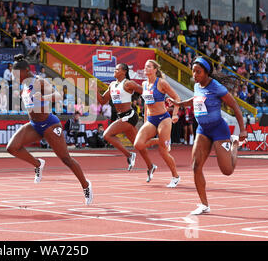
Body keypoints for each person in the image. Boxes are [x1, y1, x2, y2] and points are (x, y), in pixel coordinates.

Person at [6, 54, 92, 205]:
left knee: (66, 159)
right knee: (12, 148)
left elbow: (58, 96)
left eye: (16, 74)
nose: (15, 78)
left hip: (49, 124)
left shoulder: (39, 81)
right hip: (34, 125)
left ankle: (86, 185)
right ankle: (38, 164)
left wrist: (45, 98)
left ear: (26, 71)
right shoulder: (25, 85)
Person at [167, 57, 247, 215]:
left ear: (206, 72)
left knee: (227, 170)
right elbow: (195, 100)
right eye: (193, 71)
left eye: (198, 72)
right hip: (203, 130)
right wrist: (179, 104)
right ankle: (204, 205)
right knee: (196, 166)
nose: (195, 75)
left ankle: (234, 145)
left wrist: (242, 130)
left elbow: (235, 107)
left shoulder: (217, 87)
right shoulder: (197, 85)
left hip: (219, 130)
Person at [93, 63, 155, 172]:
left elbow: (145, 91)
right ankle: (151, 166)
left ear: (124, 71)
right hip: (121, 117)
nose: (114, 71)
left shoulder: (128, 84)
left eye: (117, 69)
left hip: (130, 116)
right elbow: (102, 101)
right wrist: (95, 90)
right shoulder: (112, 85)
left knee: (107, 135)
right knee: (138, 144)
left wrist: (152, 105)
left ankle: (129, 155)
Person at [133, 60, 181, 187]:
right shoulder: (144, 84)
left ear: (155, 70)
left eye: (148, 66)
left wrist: (175, 114)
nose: (145, 68)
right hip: (151, 120)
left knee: (163, 152)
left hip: (163, 119)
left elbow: (177, 98)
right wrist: (145, 121)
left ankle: (175, 177)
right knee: (138, 144)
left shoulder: (161, 83)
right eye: (145, 66)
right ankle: (163, 141)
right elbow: (145, 103)